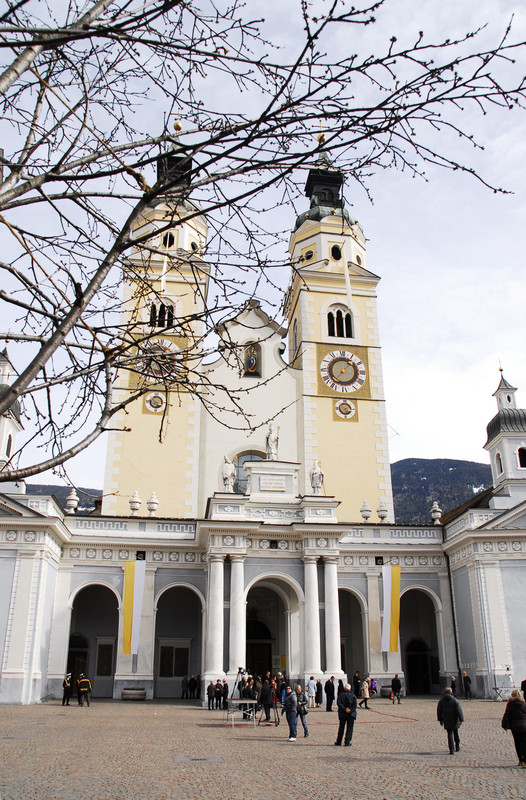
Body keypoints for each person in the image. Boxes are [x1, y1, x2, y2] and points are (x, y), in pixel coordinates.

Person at [501, 689, 526, 767]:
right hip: (524, 726)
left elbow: (506, 716)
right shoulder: (524, 704)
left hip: (515, 727)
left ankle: (521, 760)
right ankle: (525, 760)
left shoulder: (510, 704)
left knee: (517, 743)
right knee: (524, 743)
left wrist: (504, 725)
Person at [437, 687, 464, 754]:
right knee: (456, 733)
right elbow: (459, 711)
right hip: (455, 719)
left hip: (446, 719)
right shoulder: (455, 700)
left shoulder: (441, 701)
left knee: (449, 734)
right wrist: (461, 719)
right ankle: (457, 747)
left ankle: (451, 749)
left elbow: (439, 711)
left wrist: (440, 719)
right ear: (451, 692)